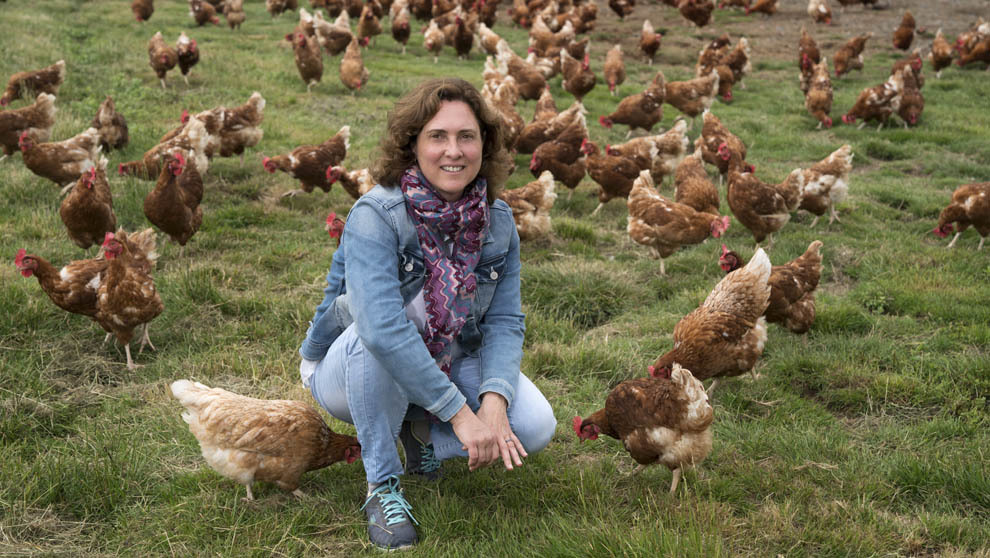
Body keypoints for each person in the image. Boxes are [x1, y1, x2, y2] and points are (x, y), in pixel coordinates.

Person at [297, 78, 557, 551]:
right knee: (374, 339)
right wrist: (460, 414)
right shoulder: (377, 214)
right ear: (412, 144)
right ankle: (382, 485)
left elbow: (504, 321)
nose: (453, 151)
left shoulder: (498, 222)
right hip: (349, 367)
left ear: (485, 145)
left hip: (447, 355)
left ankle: (419, 433)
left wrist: (494, 400)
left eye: (466, 136)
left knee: (536, 425)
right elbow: (381, 330)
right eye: (437, 136)